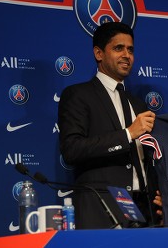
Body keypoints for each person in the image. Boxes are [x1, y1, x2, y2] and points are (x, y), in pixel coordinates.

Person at [58, 22, 161, 229]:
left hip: (144, 211)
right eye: (118, 48)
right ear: (98, 53)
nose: (126, 55)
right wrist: (128, 134)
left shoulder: (138, 104)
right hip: (102, 208)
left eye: (130, 50)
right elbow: (72, 149)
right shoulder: (78, 95)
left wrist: (158, 193)